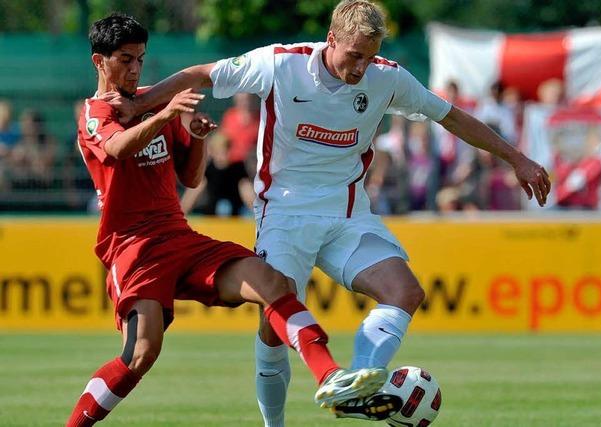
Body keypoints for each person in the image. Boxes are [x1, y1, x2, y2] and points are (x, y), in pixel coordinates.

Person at [105, 1, 551, 424]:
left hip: (347, 215)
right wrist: (143, 105)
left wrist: (517, 158)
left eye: (370, 57)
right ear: (331, 38)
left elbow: (450, 116)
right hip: (283, 215)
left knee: (405, 291)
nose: (361, 68)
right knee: (272, 327)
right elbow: (202, 74)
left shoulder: (387, 78)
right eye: (354, 55)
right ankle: (273, 423)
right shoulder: (282, 63)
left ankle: (355, 384)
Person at [65, 13, 389, 427]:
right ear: (100, 61)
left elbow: (191, 177)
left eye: (140, 59)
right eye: (125, 60)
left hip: (178, 236)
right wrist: (164, 116)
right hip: (134, 247)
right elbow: (115, 151)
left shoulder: (154, 100)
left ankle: (331, 375)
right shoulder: (95, 112)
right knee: (142, 353)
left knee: (273, 281)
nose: (134, 69)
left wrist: (197, 138)